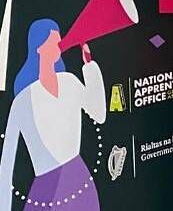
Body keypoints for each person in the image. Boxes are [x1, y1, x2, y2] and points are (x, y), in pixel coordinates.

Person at [0, 20, 105, 211]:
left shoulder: (69, 82)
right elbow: (6, 164)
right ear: (38, 47)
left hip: (78, 181)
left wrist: (90, 67)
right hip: (45, 189)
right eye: (54, 40)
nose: (60, 44)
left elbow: (98, 114)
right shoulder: (22, 101)